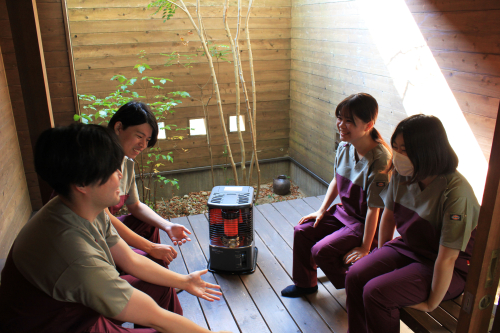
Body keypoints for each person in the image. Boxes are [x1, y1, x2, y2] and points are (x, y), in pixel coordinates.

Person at [0, 124, 229, 333]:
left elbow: (131, 260)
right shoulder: (72, 251)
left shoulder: (84, 208)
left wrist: (184, 281)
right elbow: (154, 316)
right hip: (59, 324)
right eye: (111, 169)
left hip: (76, 308)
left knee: (162, 287)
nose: (120, 174)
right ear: (81, 184)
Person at [345, 114, 479, 333]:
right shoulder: (403, 174)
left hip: (449, 267)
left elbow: (448, 258)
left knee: (376, 292)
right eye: (396, 147)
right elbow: (388, 217)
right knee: (355, 275)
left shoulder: (456, 193)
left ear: (427, 150)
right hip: (410, 247)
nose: (397, 155)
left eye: (404, 150)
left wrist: (431, 303)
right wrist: (380, 254)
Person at [281, 93, 391, 297]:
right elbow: (336, 180)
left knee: (321, 251)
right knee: (302, 231)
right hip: (344, 214)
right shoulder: (345, 145)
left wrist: (365, 248)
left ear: (368, 124)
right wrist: (321, 210)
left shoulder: (381, 159)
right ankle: (306, 284)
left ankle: (357, 288)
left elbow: (374, 209)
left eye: (349, 121)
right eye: (340, 117)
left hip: (365, 223)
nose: (341, 124)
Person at [105, 101, 191, 267]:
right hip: (93, 235)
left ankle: (158, 276)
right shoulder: (99, 160)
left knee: (148, 224)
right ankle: (156, 280)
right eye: (139, 136)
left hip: (105, 229)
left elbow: (135, 206)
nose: (143, 145)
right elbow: (102, 217)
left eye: (148, 139)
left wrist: (168, 225)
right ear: (118, 128)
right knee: (152, 260)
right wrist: (151, 248)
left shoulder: (126, 162)